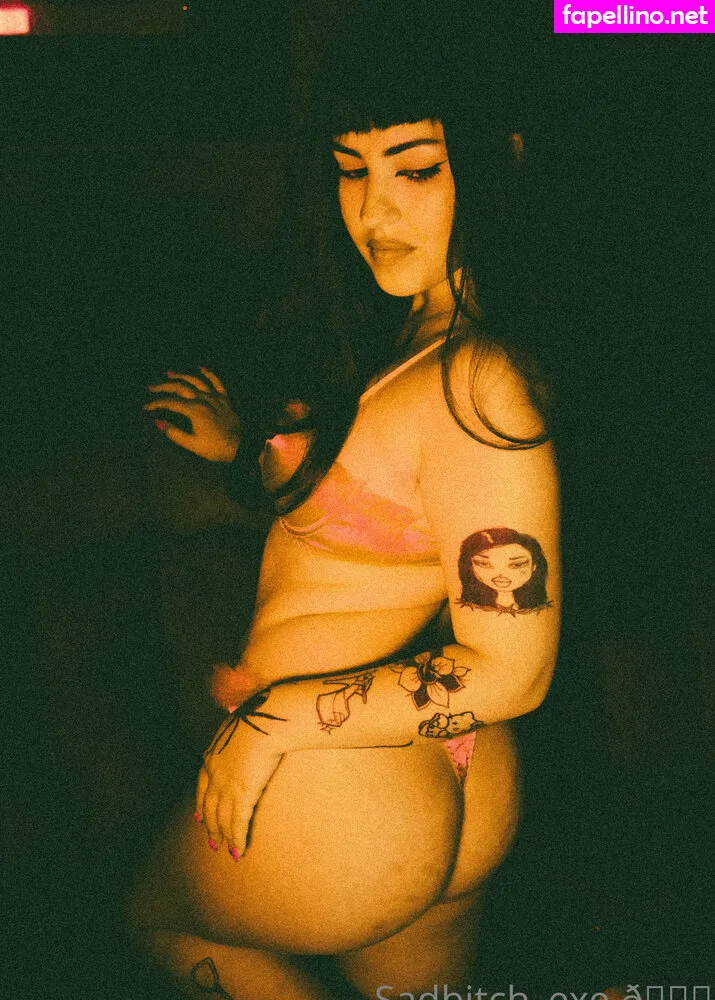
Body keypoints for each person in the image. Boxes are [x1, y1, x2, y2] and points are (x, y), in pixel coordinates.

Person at [129, 8, 561, 998]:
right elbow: (372, 522)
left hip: (341, 779)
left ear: (495, 160)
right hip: (422, 775)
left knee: (153, 921)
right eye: (349, 169)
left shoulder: (477, 378)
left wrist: (277, 721)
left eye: (415, 168)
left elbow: (514, 668)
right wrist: (244, 453)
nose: (373, 208)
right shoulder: (425, 341)